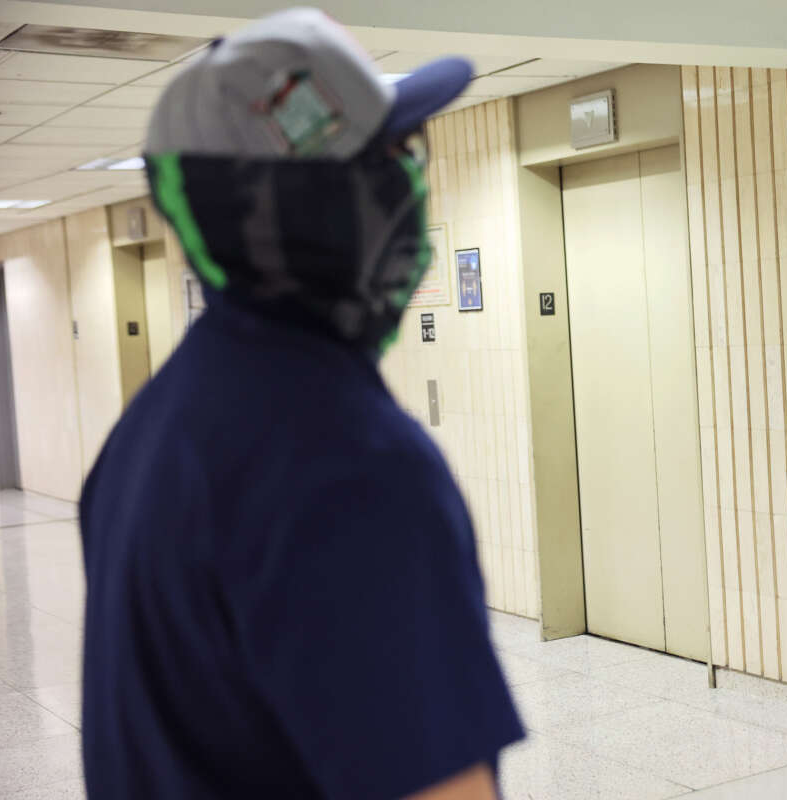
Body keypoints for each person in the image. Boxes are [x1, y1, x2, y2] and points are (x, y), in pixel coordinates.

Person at [79, 9, 523, 799]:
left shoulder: (149, 429)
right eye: (391, 157)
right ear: (315, 203)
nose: (413, 182)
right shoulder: (351, 466)